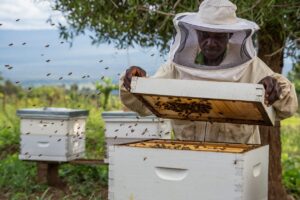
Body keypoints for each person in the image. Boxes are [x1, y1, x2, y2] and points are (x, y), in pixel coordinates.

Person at [119, 0, 298, 144]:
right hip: (188, 158)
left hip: (237, 160)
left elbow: (288, 108)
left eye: (218, 35)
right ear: (196, 33)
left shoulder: (251, 67)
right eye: (205, 34)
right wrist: (135, 81)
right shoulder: (176, 67)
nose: (211, 42)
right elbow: (143, 105)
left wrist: (276, 88)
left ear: (230, 35)